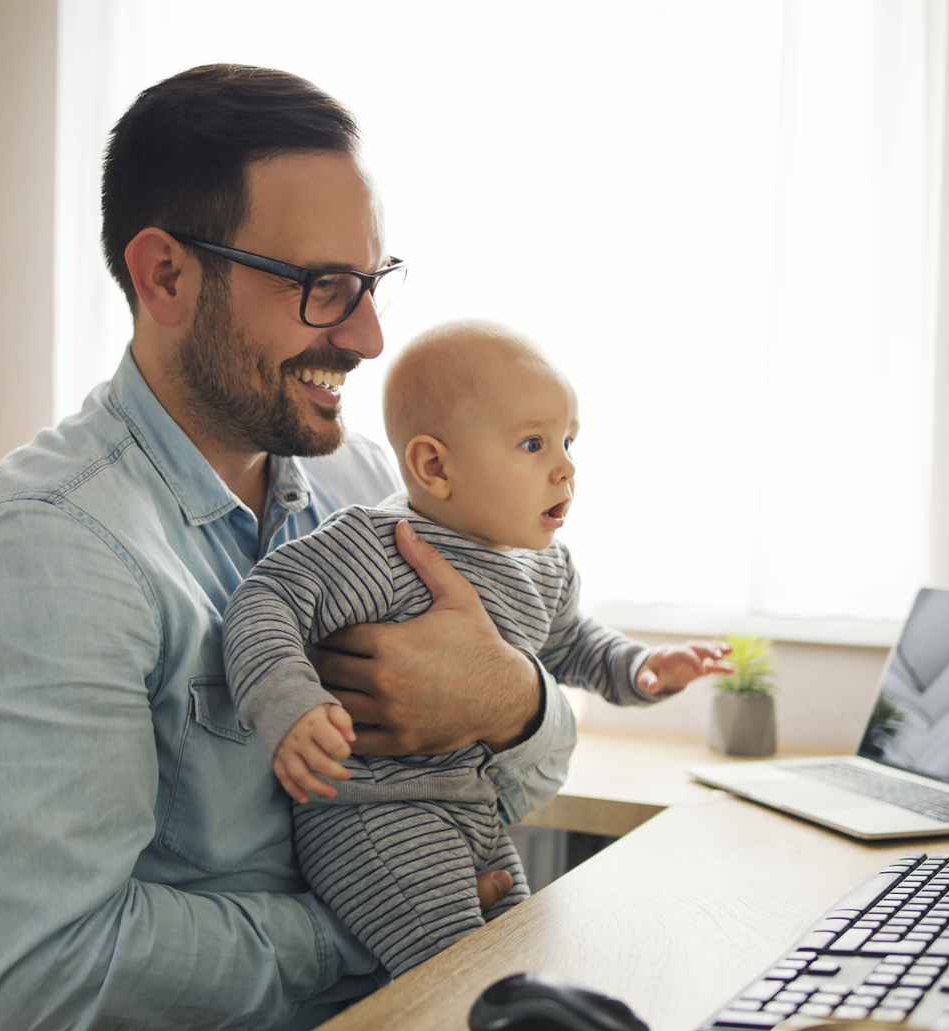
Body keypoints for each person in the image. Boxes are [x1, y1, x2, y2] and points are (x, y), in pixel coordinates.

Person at [0, 65, 579, 1031]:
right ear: (164, 276)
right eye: (319, 287)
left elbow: (498, 767)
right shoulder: (47, 552)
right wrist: (377, 919)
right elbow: (44, 970)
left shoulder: (361, 491)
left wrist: (513, 701)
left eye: (370, 281)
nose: (366, 336)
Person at [222, 320, 731, 978]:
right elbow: (266, 599)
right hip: (377, 816)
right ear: (435, 466)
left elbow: (574, 643)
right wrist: (288, 703)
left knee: (519, 951)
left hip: (477, 809)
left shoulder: (546, 567)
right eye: (533, 443)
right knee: (459, 979)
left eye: (569, 441)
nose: (566, 466)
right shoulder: (380, 545)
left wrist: (642, 667)